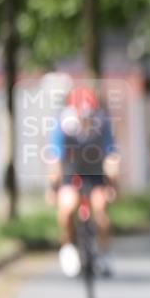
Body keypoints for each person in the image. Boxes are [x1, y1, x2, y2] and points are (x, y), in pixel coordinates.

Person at [49, 86, 120, 277]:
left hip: (95, 173)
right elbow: (55, 160)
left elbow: (111, 156)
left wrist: (113, 184)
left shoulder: (103, 124)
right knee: (66, 209)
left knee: (100, 208)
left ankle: (104, 253)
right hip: (71, 173)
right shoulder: (63, 126)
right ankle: (69, 247)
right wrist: (54, 187)